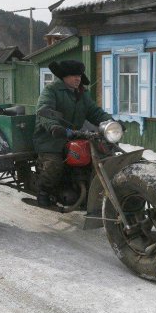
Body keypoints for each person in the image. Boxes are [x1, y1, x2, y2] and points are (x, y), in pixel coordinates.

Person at [33, 59, 113, 207]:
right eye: (73, 75)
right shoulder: (51, 90)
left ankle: (91, 191)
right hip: (51, 138)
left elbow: (95, 112)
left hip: (75, 136)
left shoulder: (82, 93)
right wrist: (54, 127)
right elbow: (44, 110)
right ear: (64, 76)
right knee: (55, 165)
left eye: (79, 75)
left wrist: (111, 122)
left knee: (99, 157)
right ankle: (44, 191)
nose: (78, 79)